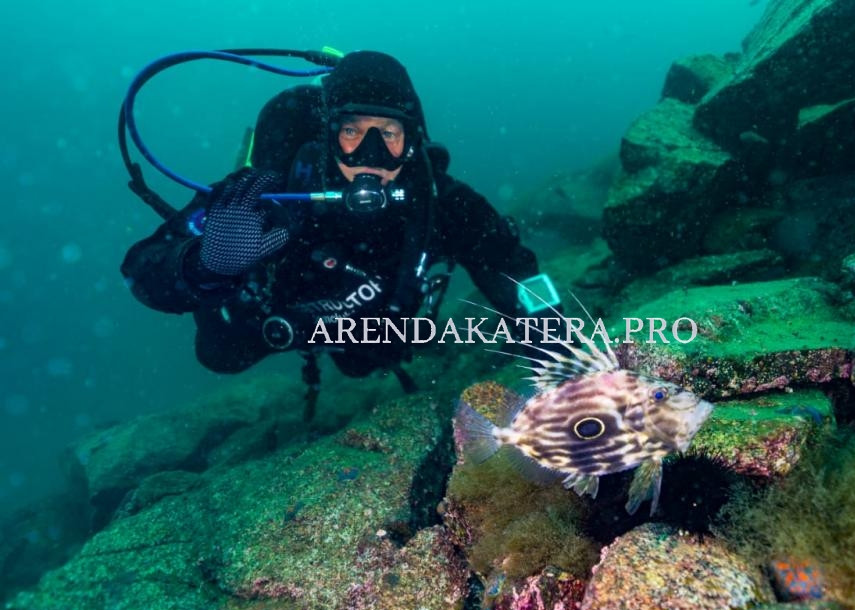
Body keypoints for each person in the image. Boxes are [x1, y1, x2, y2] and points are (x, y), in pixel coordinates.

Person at [121, 51, 553, 402]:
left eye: (388, 132)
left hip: (372, 329)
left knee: (368, 359)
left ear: (412, 140)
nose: (370, 153)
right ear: (329, 135)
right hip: (277, 318)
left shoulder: (442, 201)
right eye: (352, 131)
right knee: (220, 354)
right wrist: (203, 265)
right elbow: (142, 270)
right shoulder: (269, 192)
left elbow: (514, 267)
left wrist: (558, 353)